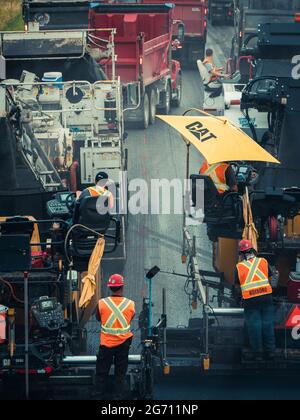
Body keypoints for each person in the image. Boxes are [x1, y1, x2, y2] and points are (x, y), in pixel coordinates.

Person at [234, 240, 276, 362]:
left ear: (241, 254)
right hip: (266, 298)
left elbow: (237, 287)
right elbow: (270, 278)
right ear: (253, 251)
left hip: (251, 301)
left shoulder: (239, 267)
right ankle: (271, 352)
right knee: (268, 324)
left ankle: (257, 354)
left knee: (255, 326)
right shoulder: (263, 261)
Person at [95, 274, 135, 400]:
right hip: (123, 345)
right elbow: (130, 319)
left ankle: (98, 397)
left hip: (106, 345)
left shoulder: (101, 303)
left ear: (110, 288)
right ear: (122, 287)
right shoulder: (130, 304)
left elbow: (98, 318)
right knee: (120, 375)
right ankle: (117, 398)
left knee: (101, 374)